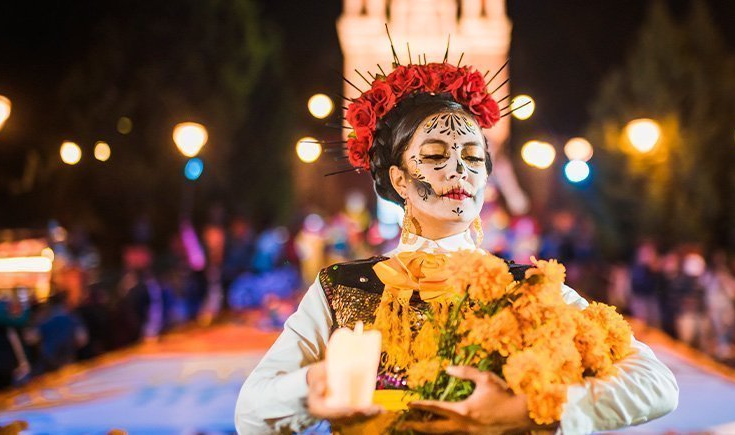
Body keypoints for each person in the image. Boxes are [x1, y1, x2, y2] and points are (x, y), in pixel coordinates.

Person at [235, 59, 678, 434]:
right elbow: (250, 412)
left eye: (472, 156)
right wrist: (316, 385)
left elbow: (656, 383)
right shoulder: (343, 286)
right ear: (399, 180)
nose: (458, 171)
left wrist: (530, 409)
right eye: (433, 155)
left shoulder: (528, 287)